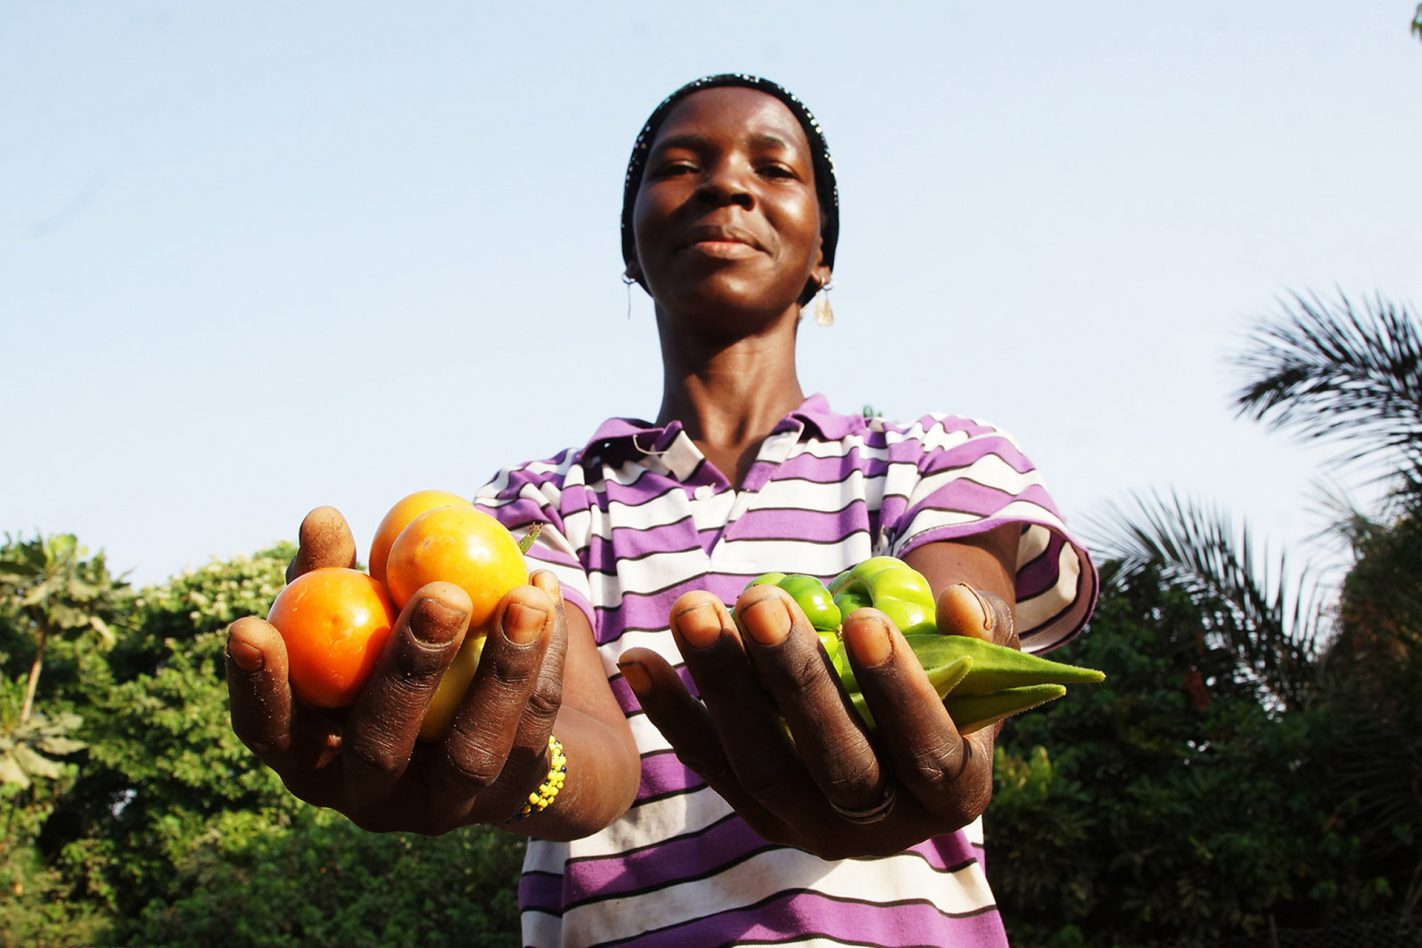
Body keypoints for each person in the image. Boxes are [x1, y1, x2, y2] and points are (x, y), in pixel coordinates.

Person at [226, 74, 1097, 947]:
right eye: (682, 166)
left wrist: (952, 741)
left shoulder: (936, 458)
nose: (727, 184)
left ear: (822, 251)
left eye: (774, 168)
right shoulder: (534, 508)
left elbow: (966, 643)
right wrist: (511, 769)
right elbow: (590, 755)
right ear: (631, 248)